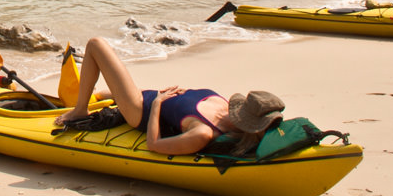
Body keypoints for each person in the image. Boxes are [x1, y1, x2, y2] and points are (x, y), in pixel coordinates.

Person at [55, 37, 284, 155]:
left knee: (96, 45)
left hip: (139, 110)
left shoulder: (203, 133)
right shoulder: (223, 105)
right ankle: (96, 94)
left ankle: (80, 110)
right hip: (152, 95)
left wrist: (156, 105)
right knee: (105, 90)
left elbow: (154, 145)